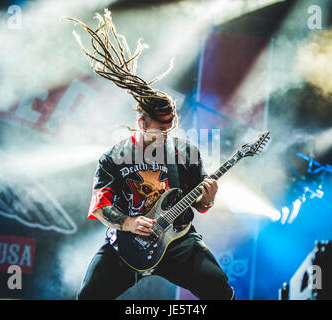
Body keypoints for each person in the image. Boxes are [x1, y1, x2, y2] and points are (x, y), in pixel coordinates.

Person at [65, 10, 234, 300]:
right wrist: (129, 223)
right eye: (160, 129)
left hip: (179, 242)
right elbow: (100, 205)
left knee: (219, 290)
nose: (166, 136)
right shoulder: (115, 156)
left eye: (170, 129)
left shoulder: (186, 153)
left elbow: (202, 204)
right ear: (141, 123)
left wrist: (209, 197)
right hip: (127, 245)